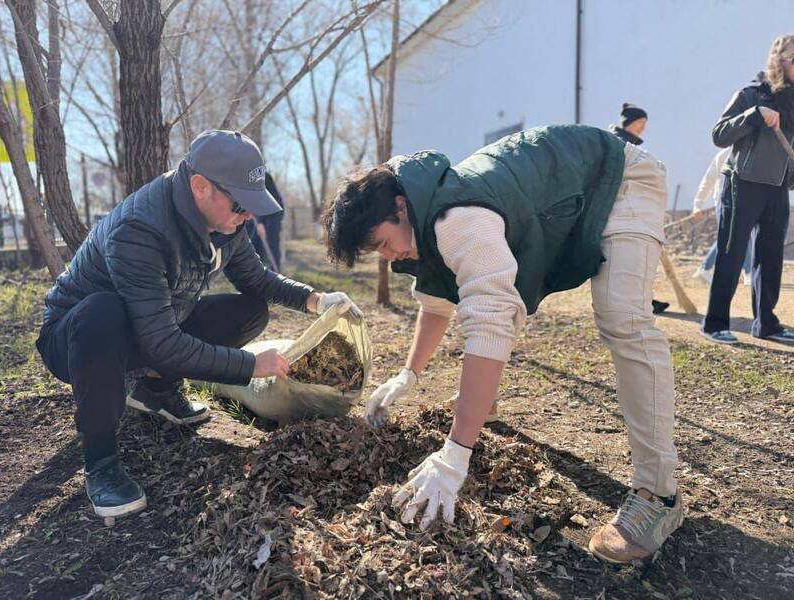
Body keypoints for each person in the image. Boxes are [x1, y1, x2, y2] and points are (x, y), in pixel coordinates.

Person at [323, 124, 683, 563]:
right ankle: (482, 403)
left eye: (383, 243)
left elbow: (491, 323)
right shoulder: (422, 218)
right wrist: (407, 375)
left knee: (622, 318)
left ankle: (658, 494)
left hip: (617, 178)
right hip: (572, 192)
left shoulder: (457, 219)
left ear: (400, 206)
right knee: (491, 306)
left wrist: (455, 454)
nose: (388, 256)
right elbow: (436, 305)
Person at [35, 130, 362, 519]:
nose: (247, 215)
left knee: (251, 311)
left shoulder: (226, 223)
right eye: (240, 204)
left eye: (251, 205)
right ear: (200, 186)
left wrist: (316, 300)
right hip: (77, 340)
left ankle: (155, 390)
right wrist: (250, 366)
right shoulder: (139, 230)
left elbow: (257, 279)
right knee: (102, 311)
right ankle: (101, 461)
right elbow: (160, 343)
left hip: (147, 327)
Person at [701, 35, 794, 345]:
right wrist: (754, 115)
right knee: (731, 254)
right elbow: (719, 134)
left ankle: (766, 324)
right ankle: (714, 323)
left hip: (777, 188)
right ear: (778, 61)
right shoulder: (751, 94)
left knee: (770, 258)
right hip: (741, 184)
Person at [609, 103, 670, 315]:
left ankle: (644, 301)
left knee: (634, 261)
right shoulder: (618, 144)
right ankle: (639, 303)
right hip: (621, 212)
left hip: (632, 211)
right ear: (629, 122)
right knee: (628, 261)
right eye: (640, 122)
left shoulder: (629, 145)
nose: (643, 127)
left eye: (645, 123)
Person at [690, 148, 752, 285]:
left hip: (744, 202)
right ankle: (747, 271)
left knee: (736, 235)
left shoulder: (753, 151)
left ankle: (706, 268)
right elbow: (709, 179)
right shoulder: (724, 154)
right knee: (734, 234)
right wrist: (698, 204)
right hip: (724, 202)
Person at [246, 172, 284, 270]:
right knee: (254, 244)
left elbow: (263, 199)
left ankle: (275, 272)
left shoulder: (260, 175)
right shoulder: (243, 176)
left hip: (272, 214)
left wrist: (260, 222)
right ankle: (259, 272)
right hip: (257, 215)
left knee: (271, 244)